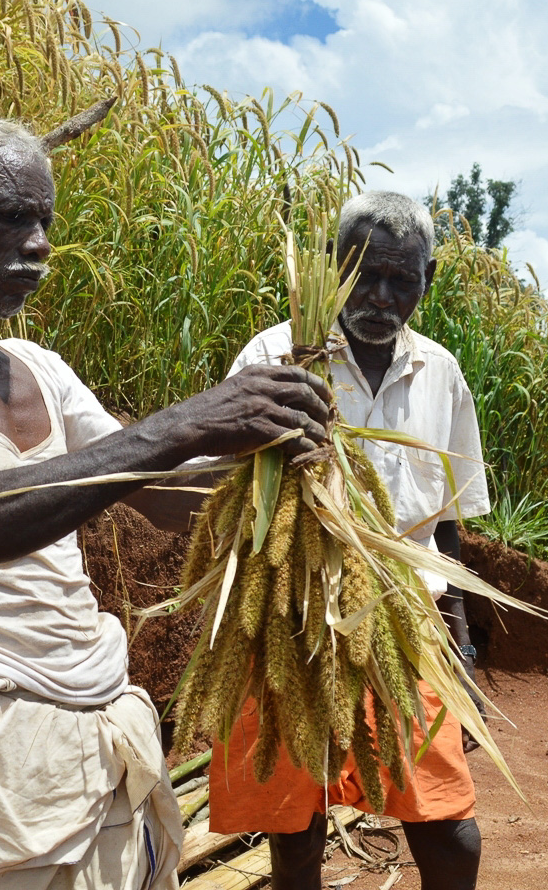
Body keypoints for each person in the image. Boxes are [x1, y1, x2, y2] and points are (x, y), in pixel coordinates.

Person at [0, 110, 332, 890]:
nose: (39, 244)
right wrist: (189, 420)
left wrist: (278, 470)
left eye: (45, 220)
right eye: (10, 216)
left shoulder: (39, 368)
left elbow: (161, 496)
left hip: (99, 725)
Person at [208, 191, 492, 890]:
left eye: (404, 280)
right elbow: (230, 490)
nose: (383, 297)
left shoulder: (440, 373)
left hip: (406, 622)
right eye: (367, 274)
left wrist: (458, 638)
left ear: (429, 278)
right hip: (291, 616)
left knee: (449, 829)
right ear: (335, 266)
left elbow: (446, 525)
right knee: (295, 828)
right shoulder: (276, 355)